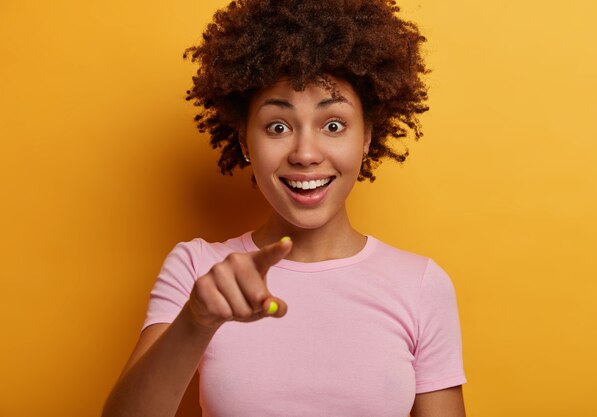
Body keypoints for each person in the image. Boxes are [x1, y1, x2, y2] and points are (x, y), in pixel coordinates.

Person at [102, 0, 467, 416]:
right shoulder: (200, 269)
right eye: (278, 127)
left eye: (333, 125)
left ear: (366, 135)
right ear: (244, 141)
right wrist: (196, 321)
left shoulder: (420, 285)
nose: (306, 154)